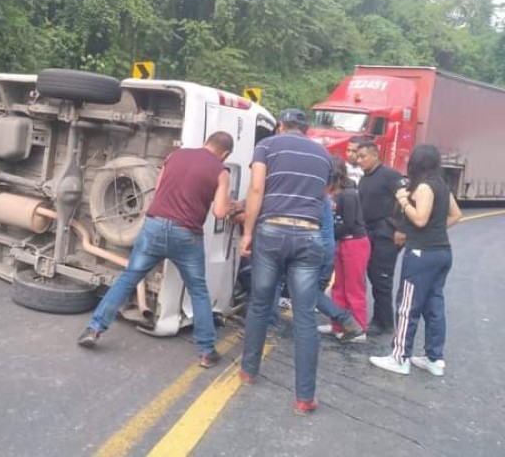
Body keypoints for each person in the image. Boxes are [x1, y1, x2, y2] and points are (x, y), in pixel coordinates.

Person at [77, 131, 238, 368]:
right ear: (224, 154)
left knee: (128, 279)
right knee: (199, 291)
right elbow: (221, 212)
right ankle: (206, 352)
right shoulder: (221, 171)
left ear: (206, 143)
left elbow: (158, 190)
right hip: (186, 234)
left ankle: (94, 330)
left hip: (154, 226)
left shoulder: (174, 156)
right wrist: (234, 204)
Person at [238, 108, 331, 415]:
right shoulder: (323, 155)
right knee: (305, 316)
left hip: (272, 230)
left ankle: (248, 371)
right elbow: (321, 198)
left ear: (279, 126)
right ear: (305, 129)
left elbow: (256, 188)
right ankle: (305, 398)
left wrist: (248, 232)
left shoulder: (267, 145)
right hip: (309, 236)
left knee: (261, 303)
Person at [370, 145, 462, 376]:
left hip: (421, 253)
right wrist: (436, 231)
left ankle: (400, 357)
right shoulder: (442, 185)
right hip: (442, 252)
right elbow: (456, 215)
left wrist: (403, 200)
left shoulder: (423, 187)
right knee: (434, 305)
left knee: (407, 305)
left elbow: (420, 219)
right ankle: (434, 358)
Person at [319, 158, 371, 340]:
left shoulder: (348, 194)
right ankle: (338, 324)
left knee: (354, 287)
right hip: (343, 242)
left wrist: (328, 234)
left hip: (354, 242)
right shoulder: (340, 193)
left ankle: (360, 328)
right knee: (339, 286)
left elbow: (348, 224)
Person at [356, 139, 403, 336]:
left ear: (375, 155)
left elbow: (405, 200)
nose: (359, 160)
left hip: (385, 233)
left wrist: (401, 228)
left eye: (363, 156)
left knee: (382, 277)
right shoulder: (364, 178)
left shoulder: (390, 175)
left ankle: (386, 323)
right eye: (358, 157)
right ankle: (381, 319)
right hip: (369, 232)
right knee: (373, 275)